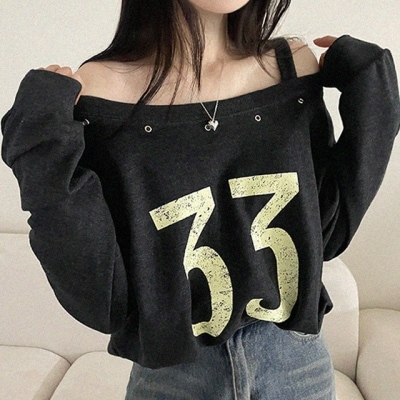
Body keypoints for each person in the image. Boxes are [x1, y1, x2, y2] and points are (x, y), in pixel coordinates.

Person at [2, 0, 399, 399]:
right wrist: (40, 146)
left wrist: (373, 95)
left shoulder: (291, 66)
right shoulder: (101, 91)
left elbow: (327, 233)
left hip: (298, 368)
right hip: (175, 380)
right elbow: (103, 302)